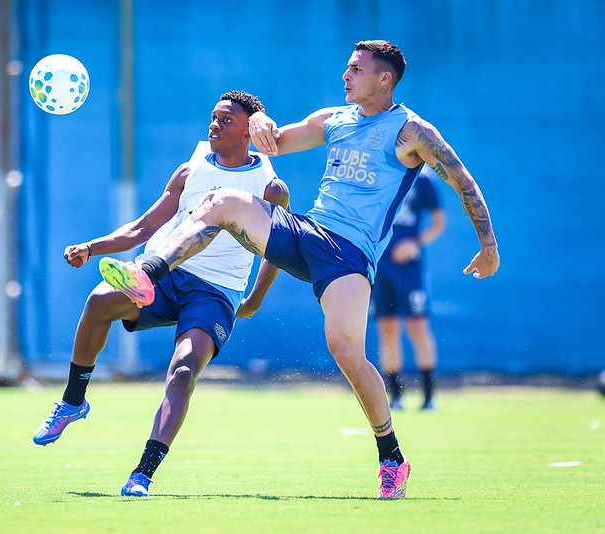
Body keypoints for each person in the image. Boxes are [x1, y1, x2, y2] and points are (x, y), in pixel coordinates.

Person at [98, 40, 499, 500]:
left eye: (356, 69)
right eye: (347, 67)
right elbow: (273, 141)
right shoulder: (335, 119)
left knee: (346, 352)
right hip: (307, 231)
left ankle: (392, 458)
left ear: (384, 78)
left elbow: (463, 180)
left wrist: (488, 245)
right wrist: (261, 118)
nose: (346, 75)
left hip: (350, 255)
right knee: (221, 200)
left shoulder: (411, 131)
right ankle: (148, 273)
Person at [32, 90, 290, 498]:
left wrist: (254, 300)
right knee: (99, 302)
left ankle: (142, 474)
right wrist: (91, 247)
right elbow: (143, 227)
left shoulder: (271, 187)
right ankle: (72, 401)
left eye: (226, 119)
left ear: (248, 131)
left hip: (215, 293)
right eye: (213, 116)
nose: (215, 124)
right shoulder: (191, 169)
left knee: (184, 371)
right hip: (165, 272)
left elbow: (277, 251)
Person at [371, 167, 446, 411]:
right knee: (387, 329)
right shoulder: (378, 168)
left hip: (409, 268)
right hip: (379, 264)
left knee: (418, 327)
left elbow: (439, 222)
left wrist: (415, 243)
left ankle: (429, 397)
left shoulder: (422, 178)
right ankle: (396, 396)